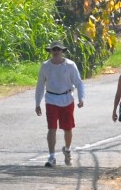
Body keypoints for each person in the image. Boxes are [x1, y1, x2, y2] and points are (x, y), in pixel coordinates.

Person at [35, 39, 85, 167]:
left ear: (62, 51)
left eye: (58, 49)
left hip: (67, 98)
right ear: (50, 51)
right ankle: (52, 156)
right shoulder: (46, 66)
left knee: (67, 128)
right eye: (54, 49)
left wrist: (81, 99)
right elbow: (40, 85)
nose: (56, 52)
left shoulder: (70, 65)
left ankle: (67, 149)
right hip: (51, 99)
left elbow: (79, 83)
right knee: (51, 128)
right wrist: (37, 103)